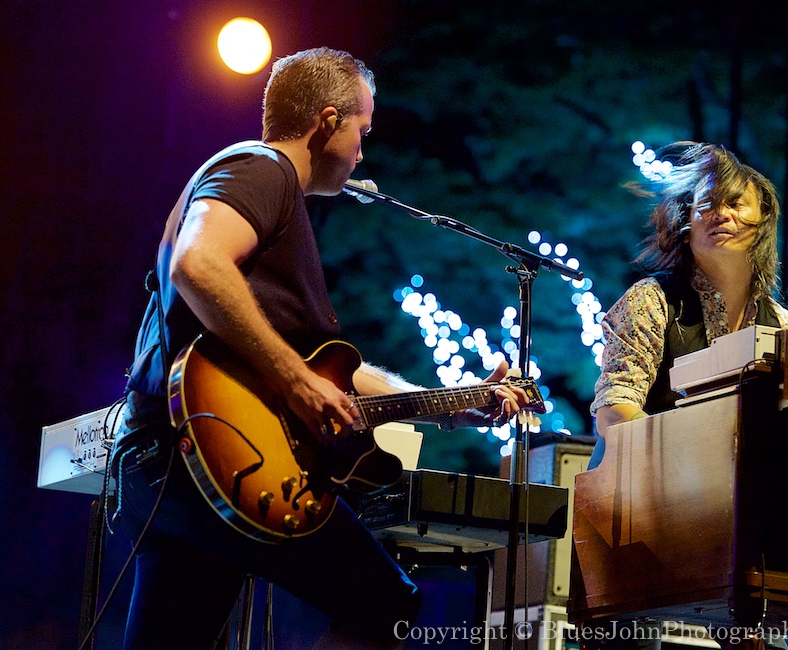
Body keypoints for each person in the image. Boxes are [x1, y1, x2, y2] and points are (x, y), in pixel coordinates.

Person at [109, 47, 530, 650]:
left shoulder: (270, 200)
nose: (362, 151)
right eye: (362, 129)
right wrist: (295, 382)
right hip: (201, 450)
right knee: (385, 603)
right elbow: (197, 265)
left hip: (184, 462)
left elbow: (331, 374)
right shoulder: (261, 167)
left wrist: (450, 403)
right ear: (328, 121)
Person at [588, 141, 788, 471]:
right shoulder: (650, 300)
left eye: (736, 204)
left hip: (733, 494)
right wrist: (692, 458)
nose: (722, 214)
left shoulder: (777, 319)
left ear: (763, 223)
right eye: (708, 205)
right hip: (631, 489)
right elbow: (614, 411)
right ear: (687, 230)